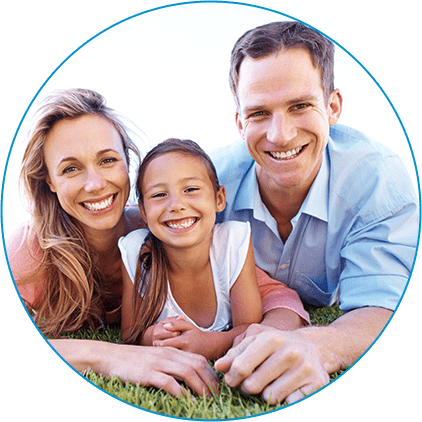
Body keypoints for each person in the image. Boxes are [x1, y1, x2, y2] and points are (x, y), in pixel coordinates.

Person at [6, 88, 308, 398]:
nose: (95, 184)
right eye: (71, 168)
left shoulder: (164, 234)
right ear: (50, 182)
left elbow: (278, 298)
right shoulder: (34, 248)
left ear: (127, 163)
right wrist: (113, 356)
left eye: (108, 160)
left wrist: (257, 341)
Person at [212, 21, 419, 404]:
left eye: (300, 106)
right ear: (240, 123)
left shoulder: (377, 179)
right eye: (259, 113)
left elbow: (385, 305)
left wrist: (320, 346)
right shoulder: (208, 183)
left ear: (333, 106)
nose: (281, 134)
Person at [119, 138, 262, 360]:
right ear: (143, 212)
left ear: (219, 198)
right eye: (159, 195)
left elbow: (250, 328)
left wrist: (211, 344)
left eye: (191, 189)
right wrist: (153, 337)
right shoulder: (136, 250)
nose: (176, 204)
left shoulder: (233, 241)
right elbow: (130, 335)